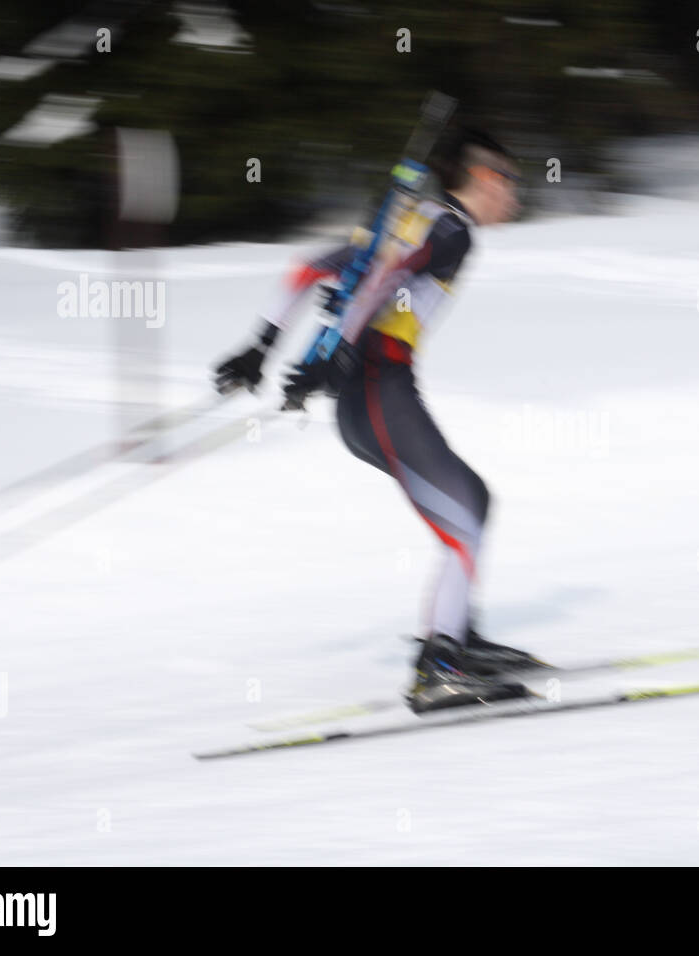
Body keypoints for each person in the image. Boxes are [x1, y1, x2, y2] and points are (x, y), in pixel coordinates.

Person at [212, 129, 544, 713]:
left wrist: (261, 347)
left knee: (472, 503)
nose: (515, 197)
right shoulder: (452, 230)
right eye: (511, 183)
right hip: (378, 392)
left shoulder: (413, 218)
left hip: (369, 398)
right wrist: (333, 356)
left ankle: (461, 640)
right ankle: (439, 669)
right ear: (488, 179)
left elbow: (308, 270)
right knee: (463, 519)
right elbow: (385, 280)